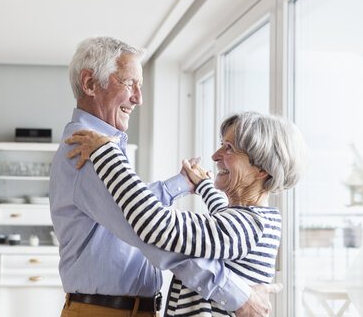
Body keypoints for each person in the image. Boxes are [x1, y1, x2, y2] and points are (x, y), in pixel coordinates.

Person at [50, 37, 280, 317]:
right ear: (89, 84)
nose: (138, 98)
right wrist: (238, 295)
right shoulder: (89, 151)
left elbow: (132, 204)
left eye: (140, 86)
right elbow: (152, 232)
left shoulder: (101, 147)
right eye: (129, 83)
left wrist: (181, 184)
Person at [65, 111, 306, 316]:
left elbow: (155, 225)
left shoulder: (244, 227)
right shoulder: (260, 219)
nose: (215, 155)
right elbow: (221, 219)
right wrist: (203, 186)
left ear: (261, 169)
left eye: (229, 148)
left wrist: (108, 155)